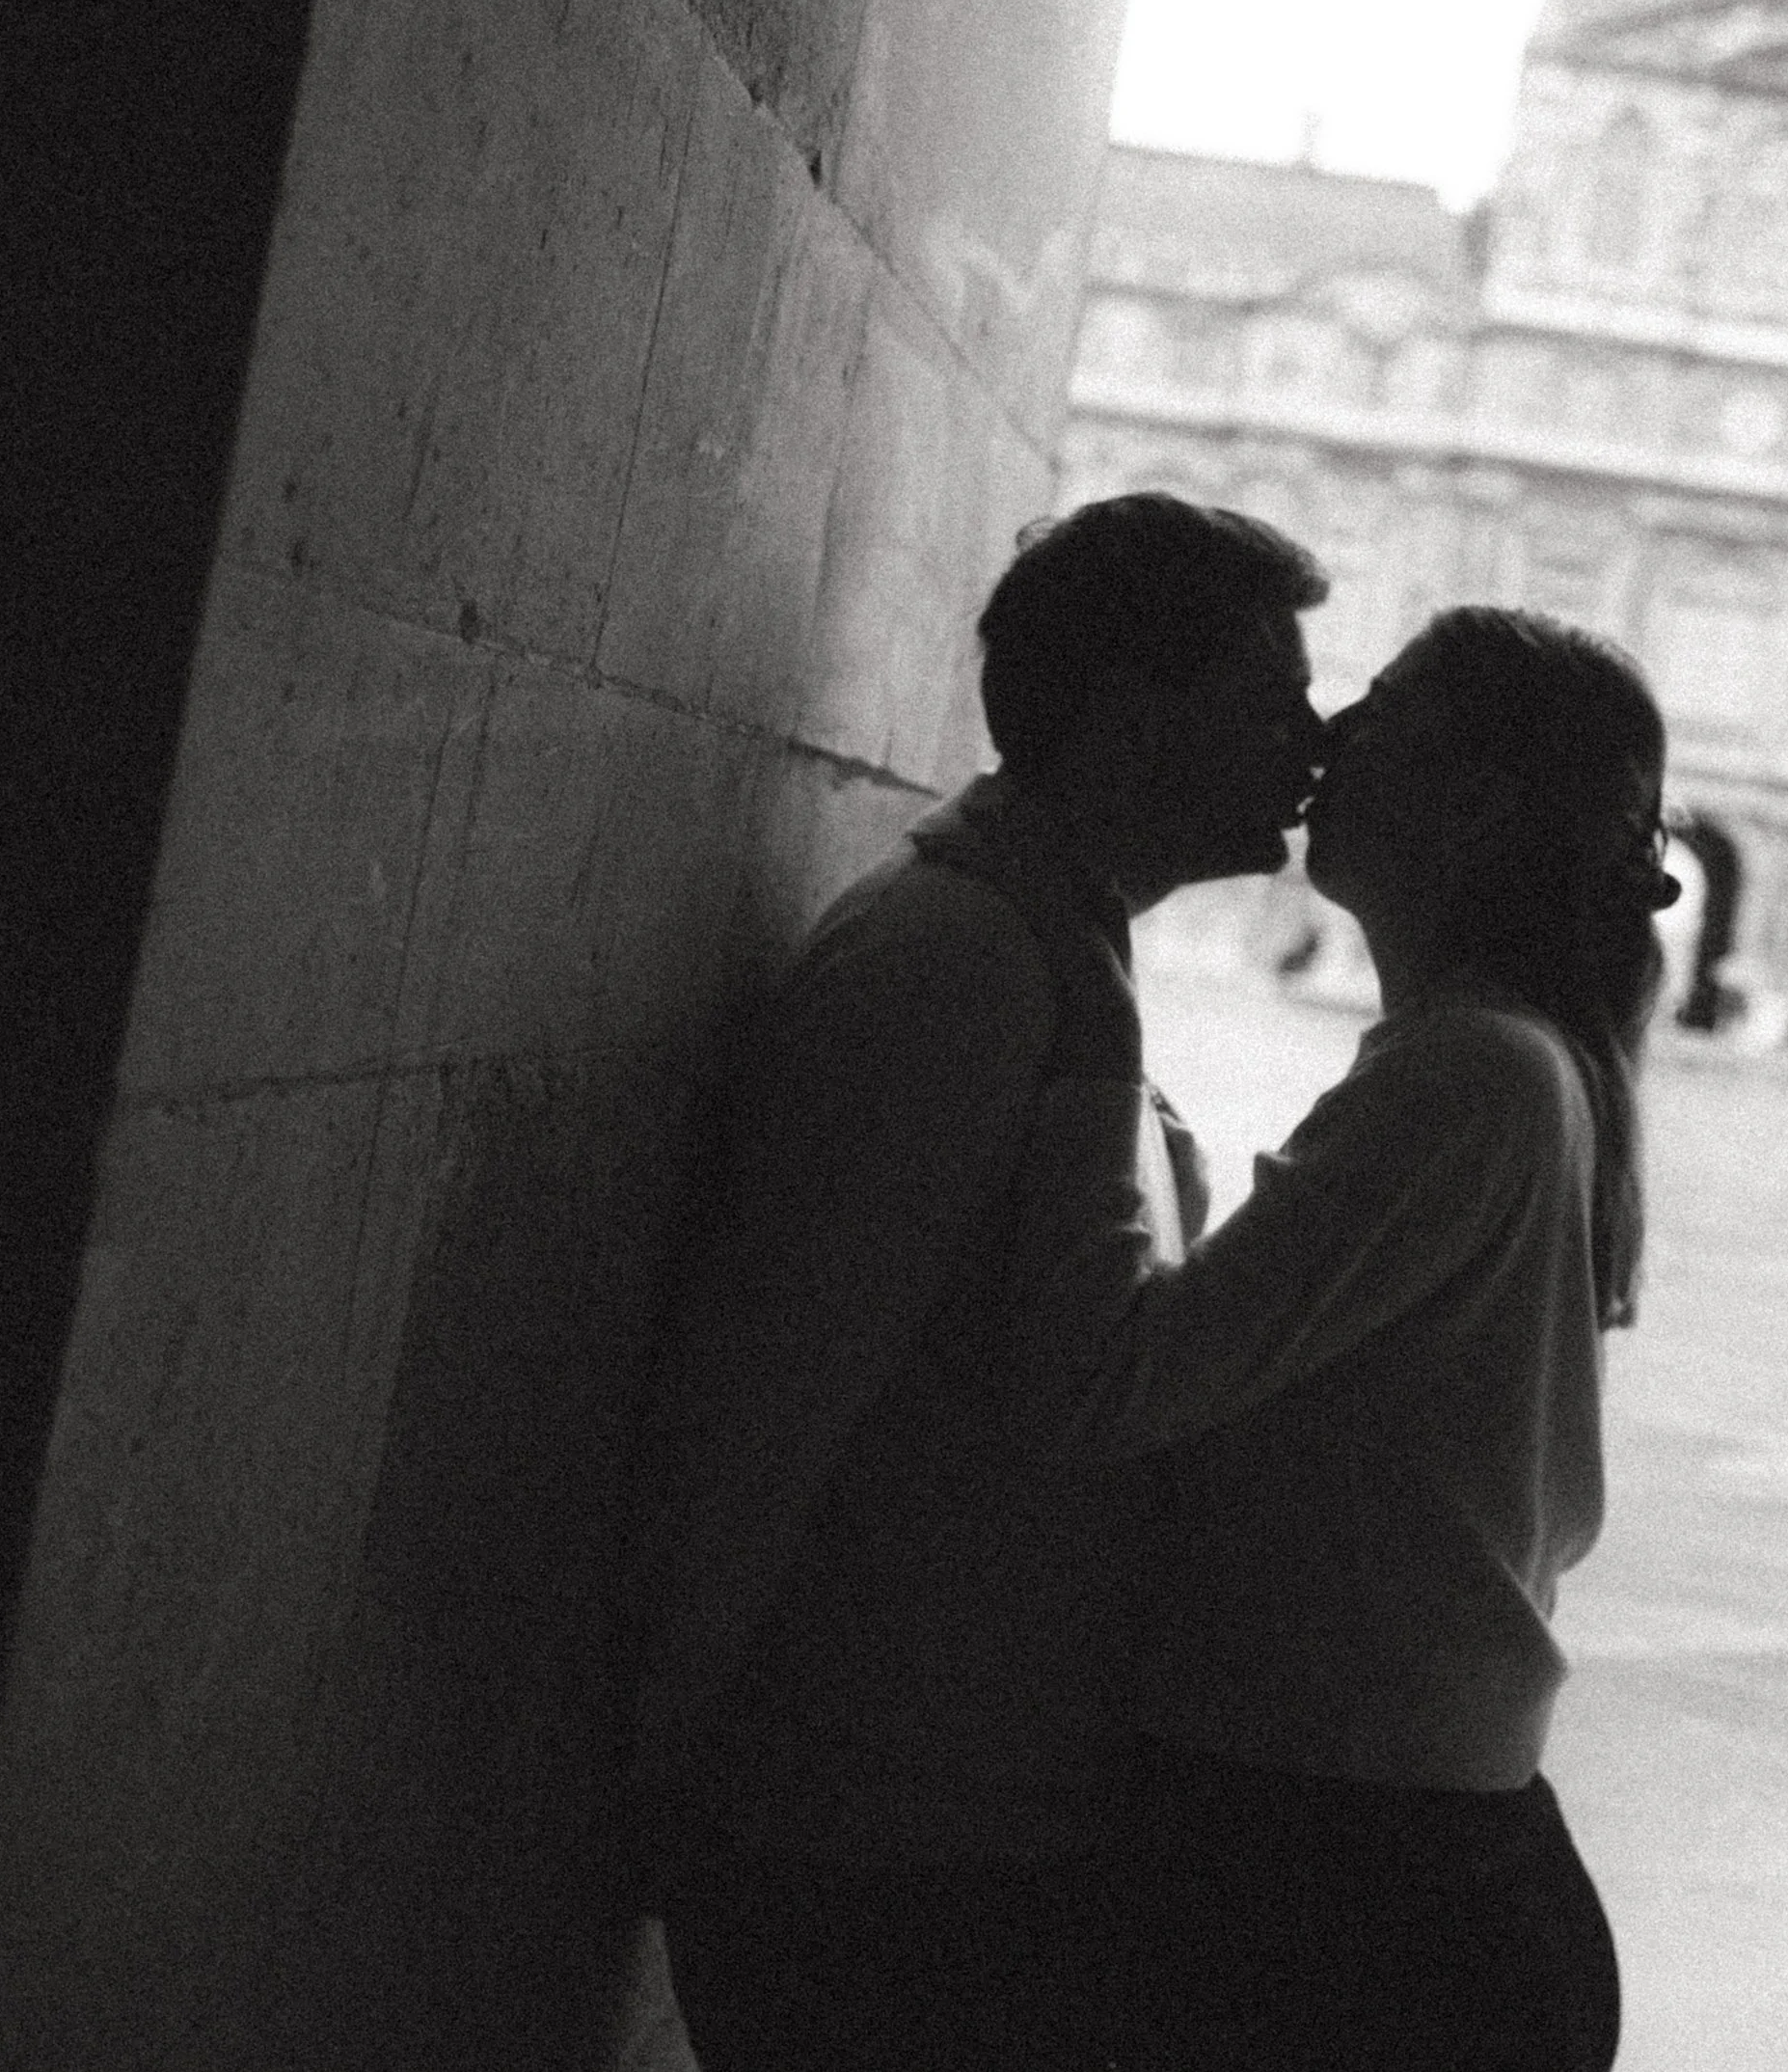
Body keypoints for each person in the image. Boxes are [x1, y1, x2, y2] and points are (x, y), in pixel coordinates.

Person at [628, 492, 1329, 2072]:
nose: (1313, 734)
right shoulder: (962, 965)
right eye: (1273, 692)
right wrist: (663, 1759)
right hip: (868, 1832)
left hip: (939, 1811)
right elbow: (766, 1398)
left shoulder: (1039, 943)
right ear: (1139, 710)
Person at [999, 607, 1676, 2071]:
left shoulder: (1470, 1076)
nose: (1329, 741)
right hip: (1401, 1869)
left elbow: (1116, 1379)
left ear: (1481, 804)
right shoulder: (1519, 1066)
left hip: (1343, 1898)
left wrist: (1078, 1025)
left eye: (1382, 712)